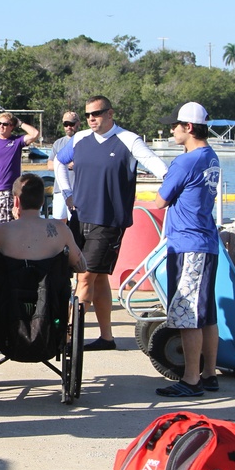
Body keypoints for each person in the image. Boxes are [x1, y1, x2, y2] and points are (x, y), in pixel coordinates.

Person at [53, 95, 168, 351]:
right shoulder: (80, 139)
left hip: (108, 222)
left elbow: (156, 165)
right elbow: (59, 163)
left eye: (97, 113)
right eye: (87, 115)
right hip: (79, 219)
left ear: (110, 114)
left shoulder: (129, 140)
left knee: (84, 279)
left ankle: (67, 338)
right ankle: (106, 337)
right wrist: (67, 193)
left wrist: (174, 186)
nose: (91, 119)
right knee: (99, 278)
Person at [153, 103, 222, 398]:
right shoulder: (211, 156)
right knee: (206, 313)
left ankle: (191, 379)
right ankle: (209, 374)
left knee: (186, 312)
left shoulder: (187, 161)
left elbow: (159, 201)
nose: (171, 130)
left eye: (175, 125)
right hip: (206, 242)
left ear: (189, 127)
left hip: (187, 244)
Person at [0, 173, 87, 274]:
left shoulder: (0, 231)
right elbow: (82, 267)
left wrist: (17, 221)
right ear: (43, 201)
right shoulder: (61, 229)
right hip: (49, 291)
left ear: (16, 201)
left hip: (11, 291)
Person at [0, 113, 40, 225]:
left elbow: (35, 134)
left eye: (5, 124)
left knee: (15, 226)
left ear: (11, 126)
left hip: (14, 192)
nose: (1, 126)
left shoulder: (17, 141)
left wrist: (20, 123)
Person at [46, 111, 80, 220]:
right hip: (60, 190)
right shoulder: (58, 143)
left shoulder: (84, 140)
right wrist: (66, 164)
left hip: (78, 190)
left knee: (75, 222)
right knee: (58, 222)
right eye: (66, 124)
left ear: (78, 124)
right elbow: (50, 165)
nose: (69, 127)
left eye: (72, 124)